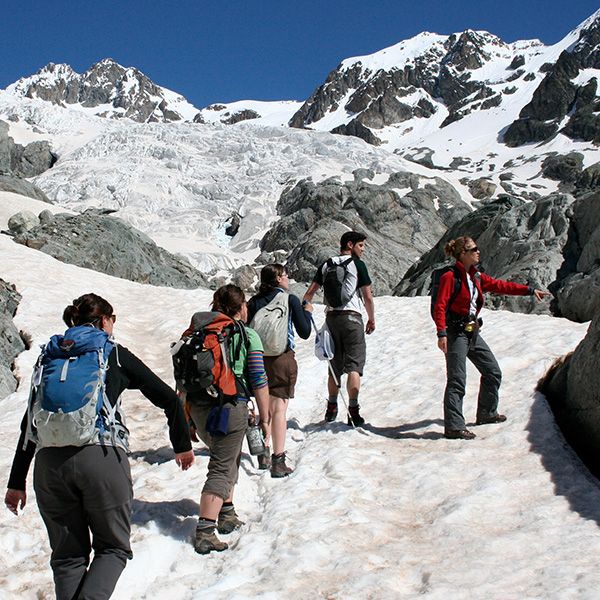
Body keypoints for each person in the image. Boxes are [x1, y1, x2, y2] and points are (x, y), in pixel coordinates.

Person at [4, 293, 194, 600]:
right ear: (104, 320)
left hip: (49, 465)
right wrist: (182, 445)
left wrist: (16, 483)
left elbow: (29, 423)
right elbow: (168, 397)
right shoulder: (113, 353)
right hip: (101, 456)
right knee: (113, 548)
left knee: (67, 557)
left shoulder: (50, 356)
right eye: (113, 319)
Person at [433, 237, 549, 440]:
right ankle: (453, 427)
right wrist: (441, 333)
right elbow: (440, 306)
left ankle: (486, 413)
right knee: (457, 380)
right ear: (463, 254)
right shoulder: (450, 277)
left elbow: (501, 286)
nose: (478, 252)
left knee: (493, 371)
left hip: (472, 332)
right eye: (473, 249)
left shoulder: (476, 277)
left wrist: (530, 291)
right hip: (455, 334)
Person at [185, 284, 270, 554]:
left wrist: (185, 416)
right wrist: (265, 416)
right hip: (230, 406)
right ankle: (205, 530)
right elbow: (258, 377)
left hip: (198, 405)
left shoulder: (197, 332)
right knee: (221, 467)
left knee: (228, 456)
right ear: (240, 307)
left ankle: (227, 512)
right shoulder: (247, 335)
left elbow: (183, 379)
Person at [303, 231, 375, 426]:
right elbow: (367, 296)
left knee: (334, 367)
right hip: (352, 318)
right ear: (350, 245)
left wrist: (306, 306)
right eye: (361, 245)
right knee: (354, 366)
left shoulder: (327, 264)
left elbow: (310, 293)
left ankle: (331, 408)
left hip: (331, 318)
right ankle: (353, 411)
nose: (363, 250)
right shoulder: (357, 264)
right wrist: (371, 319)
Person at [247, 264, 313, 477]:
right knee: (279, 410)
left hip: (256, 359)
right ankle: (278, 461)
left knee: (262, 409)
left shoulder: (254, 302)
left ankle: (263, 453)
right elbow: (304, 332)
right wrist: (307, 313)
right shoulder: (289, 299)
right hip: (281, 359)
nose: (288, 278)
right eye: (285, 275)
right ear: (278, 279)